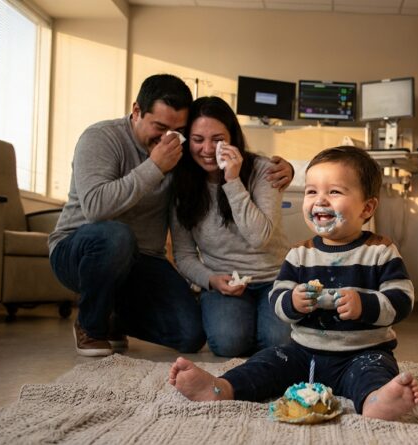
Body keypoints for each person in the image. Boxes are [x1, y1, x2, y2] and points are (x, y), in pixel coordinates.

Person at [168, 146, 418, 421]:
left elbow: (402, 298)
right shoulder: (299, 254)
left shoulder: (381, 251)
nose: (320, 200)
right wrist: (293, 302)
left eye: (334, 192)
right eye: (312, 191)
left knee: (375, 371)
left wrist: (365, 304)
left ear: (367, 207)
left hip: (362, 353)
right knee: (266, 361)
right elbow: (277, 296)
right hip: (304, 353)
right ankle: (221, 387)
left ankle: (376, 401)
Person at [49, 74, 294, 357]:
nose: (168, 138)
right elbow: (96, 208)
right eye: (160, 127)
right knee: (116, 235)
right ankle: (91, 326)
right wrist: (155, 166)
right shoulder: (101, 138)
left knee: (191, 335)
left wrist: (287, 170)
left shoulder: (184, 158)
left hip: (144, 259)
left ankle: (113, 316)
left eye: (178, 130)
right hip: (83, 252)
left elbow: (224, 160)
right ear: (137, 111)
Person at [170, 96, 291, 357]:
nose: (207, 149)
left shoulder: (264, 170)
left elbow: (259, 238)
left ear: (232, 138)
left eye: (218, 139)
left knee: (279, 343)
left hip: (274, 278)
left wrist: (232, 180)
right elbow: (184, 254)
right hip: (223, 280)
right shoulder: (181, 182)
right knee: (229, 344)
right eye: (198, 139)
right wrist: (211, 280)